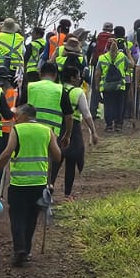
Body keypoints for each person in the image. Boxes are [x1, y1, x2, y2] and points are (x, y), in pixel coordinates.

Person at [0, 104, 60, 266]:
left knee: (17, 217)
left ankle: (19, 249)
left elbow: (7, 153)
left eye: (18, 115)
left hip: (19, 184)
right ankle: (26, 250)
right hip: (39, 184)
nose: (16, 118)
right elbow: (57, 156)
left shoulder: (17, 130)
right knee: (31, 218)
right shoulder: (47, 131)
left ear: (26, 115)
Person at [56, 61, 99, 198]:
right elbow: (86, 114)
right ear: (73, 78)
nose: (80, 79)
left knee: (56, 161)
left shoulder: (57, 89)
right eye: (78, 76)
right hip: (73, 128)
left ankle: (48, 189)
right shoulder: (78, 92)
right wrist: (93, 131)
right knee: (71, 161)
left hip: (57, 126)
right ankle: (67, 194)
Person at [96, 31, 133, 131]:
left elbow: (97, 73)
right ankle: (118, 125)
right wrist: (129, 54)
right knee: (119, 105)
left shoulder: (102, 58)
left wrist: (97, 86)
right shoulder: (122, 56)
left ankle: (109, 125)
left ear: (106, 47)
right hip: (120, 85)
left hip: (106, 86)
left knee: (108, 105)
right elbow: (132, 65)